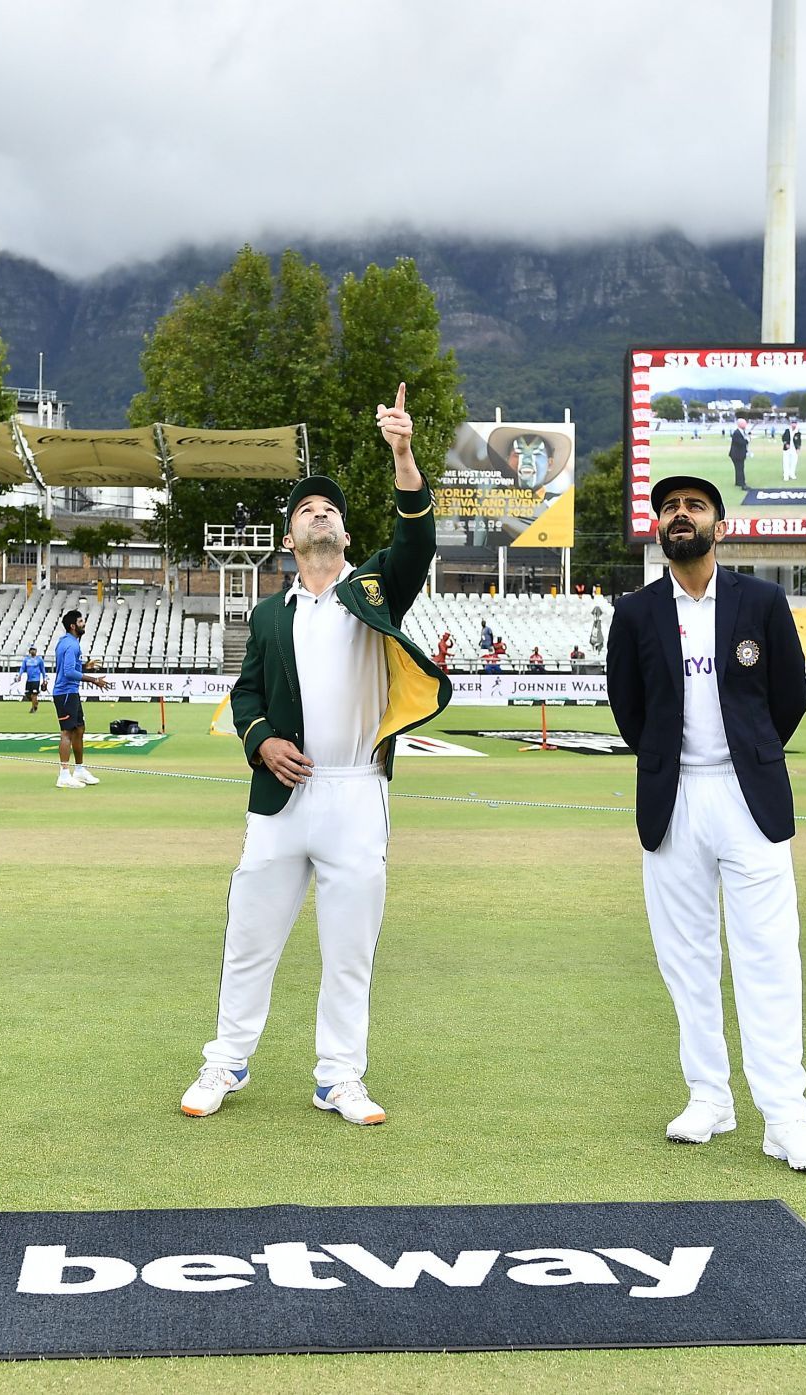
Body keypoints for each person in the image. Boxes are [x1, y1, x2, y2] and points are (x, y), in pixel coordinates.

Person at [180, 383, 449, 1126]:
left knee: (350, 951)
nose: (319, 512)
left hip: (357, 793)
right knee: (250, 939)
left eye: (328, 507)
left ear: (343, 529)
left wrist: (402, 452)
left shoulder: (375, 590)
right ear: (291, 539)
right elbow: (245, 695)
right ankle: (225, 1062)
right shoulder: (269, 612)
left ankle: (338, 1077)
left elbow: (418, 541)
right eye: (305, 509)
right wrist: (261, 740)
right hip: (280, 801)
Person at [605, 473, 806, 1173]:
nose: (682, 515)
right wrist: (670, 765)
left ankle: (786, 1117)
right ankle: (709, 1096)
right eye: (670, 507)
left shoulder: (760, 601)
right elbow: (628, 708)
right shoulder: (636, 611)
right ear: (659, 526)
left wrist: (753, 753)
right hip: (673, 798)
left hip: (748, 796)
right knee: (688, 960)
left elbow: (789, 696)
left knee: (769, 956)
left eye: (695, 506)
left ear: (719, 525)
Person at [53, 609, 110, 788]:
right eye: (80, 621)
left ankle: (79, 770)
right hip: (65, 693)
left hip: (70, 692)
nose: (83, 623)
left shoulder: (67, 642)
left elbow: (68, 666)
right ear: (72, 626)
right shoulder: (72, 645)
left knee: (79, 729)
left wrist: (85, 665)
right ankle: (63, 775)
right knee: (67, 732)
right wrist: (94, 680)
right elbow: (69, 672)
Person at [20, 644, 46, 714]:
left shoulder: (39, 659)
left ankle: (33, 708)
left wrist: (44, 679)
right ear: (29, 651)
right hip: (29, 680)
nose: (32, 651)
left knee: (34, 694)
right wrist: (20, 675)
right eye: (31, 650)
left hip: (36, 680)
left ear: (36, 651)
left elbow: (43, 669)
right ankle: (35, 703)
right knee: (28, 694)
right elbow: (22, 668)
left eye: (34, 650)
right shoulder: (26, 659)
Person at [728, 417, 750, 490]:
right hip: (737, 455)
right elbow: (741, 443)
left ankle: (738, 482)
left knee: (738, 469)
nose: (746, 424)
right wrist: (747, 440)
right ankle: (743, 484)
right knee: (740, 469)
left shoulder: (741, 432)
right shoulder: (737, 433)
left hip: (738, 454)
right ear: (740, 424)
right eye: (744, 423)